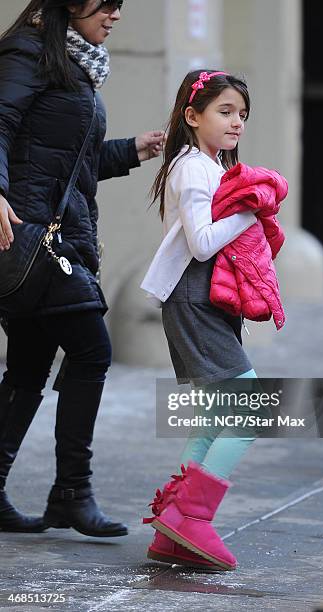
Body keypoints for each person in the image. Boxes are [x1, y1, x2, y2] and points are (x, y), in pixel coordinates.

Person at [0, 0, 165, 537]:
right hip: (31, 233)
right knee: (93, 350)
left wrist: (132, 151)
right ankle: (72, 491)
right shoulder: (28, 51)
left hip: (51, 229)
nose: (114, 15)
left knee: (27, 366)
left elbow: (73, 161)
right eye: (105, 4)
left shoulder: (71, 63)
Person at [140, 70, 286, 570]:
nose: (236, 122)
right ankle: (192, 519)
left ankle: (171, 531)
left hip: (203, 301)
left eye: (242, 114)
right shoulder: (191, 166)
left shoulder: (209, 164)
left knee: (213, 418)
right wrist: (251, 213)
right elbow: (202, 242)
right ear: (192, 115)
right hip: (193, 299)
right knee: (248, 413)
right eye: (225, 111)